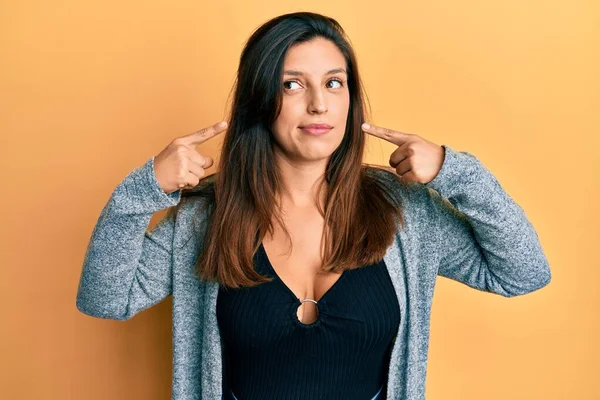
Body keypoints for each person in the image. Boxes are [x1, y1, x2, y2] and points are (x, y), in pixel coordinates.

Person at [75, 11, 551, 400]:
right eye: (293, 85)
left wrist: (455, 170)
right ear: (260, 101)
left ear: (350, 99)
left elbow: (522, 272)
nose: (319, 105)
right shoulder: (207, 219)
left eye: (334, 83)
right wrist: (143, 189)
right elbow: (106, 299)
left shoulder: (405, 213)